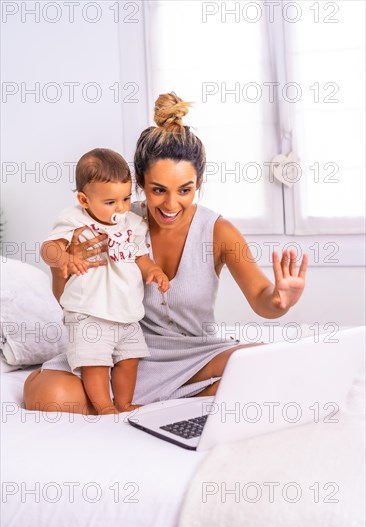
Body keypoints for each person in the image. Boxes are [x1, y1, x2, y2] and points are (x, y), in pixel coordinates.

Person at [24, 92, 308, 415]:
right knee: (45, 392)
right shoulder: (111, 223)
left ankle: (156, 401)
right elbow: (66, 298)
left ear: (199, 182)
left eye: (184, 190)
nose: (171, 205)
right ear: (141, 183)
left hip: (195, 355)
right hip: (121, 354)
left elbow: (261, 297)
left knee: (262, 363)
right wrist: (64, 266)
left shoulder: (219, 232)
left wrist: (279, 300)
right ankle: (153, 401)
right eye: (158, 190)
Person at [40, 148, 169, 414]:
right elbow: (48, 248)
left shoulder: (133, 223)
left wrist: (153, 270)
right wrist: (63, 257)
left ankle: (123, 403)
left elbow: (141, 257)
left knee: (129, 360)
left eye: (126, 198)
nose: (121, 207)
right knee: (95, 361)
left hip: (127, 312)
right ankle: (104, 406)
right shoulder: (75, 219)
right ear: (84, 200)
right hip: (89, 311)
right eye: (110, 202)